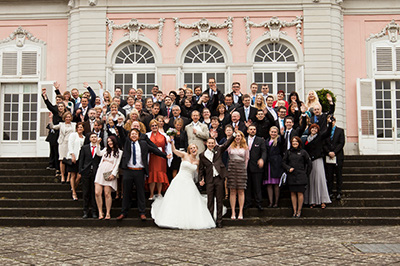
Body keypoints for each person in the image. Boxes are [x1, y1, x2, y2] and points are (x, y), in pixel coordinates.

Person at [151, 140, 216, 229]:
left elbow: (199, 172)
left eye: (194, 148)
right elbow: (174, 150)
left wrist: (202, 179)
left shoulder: (198, 161)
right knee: (176, 199)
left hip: (189, 181)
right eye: (191, 148)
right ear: (189, 150)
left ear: (197, 149)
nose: (193, 149)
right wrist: (172, 142)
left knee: (189, 200)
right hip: (179, 180)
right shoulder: (185, 155)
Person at [117, 129, 170, 221]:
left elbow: (154, 150)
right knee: (126, 192)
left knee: (140, 192)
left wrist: (164, 156)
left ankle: (142, 212)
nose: (133, 136)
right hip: (128, 170)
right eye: (132, 134)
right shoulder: (127, 143)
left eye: (135, 134)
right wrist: (118, 125)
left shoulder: (143, 144)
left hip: (139, 171)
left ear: (138, 135)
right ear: (129, 136)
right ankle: (123, 212)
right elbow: (121, 134)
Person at [199, 133, 236, 228]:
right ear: (206, 144)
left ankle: (219, 220)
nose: (211, 145)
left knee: (219, 200)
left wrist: (234, 135)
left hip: (219, 178)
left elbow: (226, 144)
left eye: (212, 143)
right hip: (209, 179)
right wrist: (201, 179)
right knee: (210, 200)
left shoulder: (218, 150)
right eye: (209, 143)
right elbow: (201, 169)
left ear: (215, 143)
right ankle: (210, 220)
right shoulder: (202, 155)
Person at [304, 120, 333, 209]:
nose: (314, 129)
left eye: (316, 128)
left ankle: (322, 200)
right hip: (310, 161)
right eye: (312, 128)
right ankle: (312, 201)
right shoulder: (307, 139)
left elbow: (328, 132)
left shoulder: (320, 137)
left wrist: (330, 123)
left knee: (320, 180)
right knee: (311, 181)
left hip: (318, 160)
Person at [282, 136, 312, 218]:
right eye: (293, 141)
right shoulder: (288, 152)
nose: (295, 143)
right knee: (293, 193)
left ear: (299, 143)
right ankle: (294, 211)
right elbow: (283, 162)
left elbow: (309, 163)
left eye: (296, 141)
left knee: (300, 193)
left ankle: (299, 210)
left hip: (301, 175)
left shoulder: (303, 152)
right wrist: (288, 168)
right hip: (292, 175)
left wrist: (306, 173)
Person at [94, 136, 123, 220]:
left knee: (107, 193)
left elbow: (117, 164)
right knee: (97, 192)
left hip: (110, 172)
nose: (110, 143)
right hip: (101, 171)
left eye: (111, 141)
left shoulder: (119, 152)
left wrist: (114, 174)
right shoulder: (106, 149)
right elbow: (98, 153)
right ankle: (100, 211)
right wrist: (98, 144)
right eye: (108, 141)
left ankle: (108, 212)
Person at [146, 119, 172, 200]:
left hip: (161, 158)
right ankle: (151, 194)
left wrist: (169, 154)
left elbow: (168, 146)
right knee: (152, 175)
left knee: (160, 175)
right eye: (152, 126)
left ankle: (159, 193)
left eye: (156, 125)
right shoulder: (147, 135)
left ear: (158, 126)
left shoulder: (164, 135)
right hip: (151, 157)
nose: (154, 127)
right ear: (150, 127)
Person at [227, 131, 249, 220]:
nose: (237, 137)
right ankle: (233, 212)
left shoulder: (246, 148)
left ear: (242, 137)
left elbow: (247, 159)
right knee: (232, 191)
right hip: (232, 168)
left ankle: (240, 212)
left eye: (239, 136)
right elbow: (220, 148)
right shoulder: (230, 146)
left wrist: (244, 169)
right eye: (236, 136)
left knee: (241, 191)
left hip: (241, 169)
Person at [79, 132, 101, 219]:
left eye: (95, 137)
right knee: (86, 193)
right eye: (92, 137)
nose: (94, 138)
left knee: (94, 193)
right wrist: (81, 170)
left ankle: (94, 211)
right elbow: (81, 159)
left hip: (96, 172)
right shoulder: (85, 148)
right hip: (86, 172)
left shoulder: (99, 148)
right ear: (89, 139)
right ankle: (85, 211)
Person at [49, 112, 76, 184]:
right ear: (64, 118)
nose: (68, 118)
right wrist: (50, 119)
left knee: (69, 159)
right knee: (62, 159)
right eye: (66, 117)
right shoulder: (61, 124)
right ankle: (63, 176)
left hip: (71, 143)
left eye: (69, 117)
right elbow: (53, 127)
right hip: (62, 143)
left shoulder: (74, 125)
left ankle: (68, 177)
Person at [244, 125, 266, 211]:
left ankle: (259, 203)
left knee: (257, 186)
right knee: (247, 186)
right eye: (251, 129)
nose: (252, 131)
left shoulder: (260, 140)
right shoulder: (244, 140)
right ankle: (248, 202)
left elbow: (264, 151)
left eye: (254, 129)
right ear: (247, 130)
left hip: (256, 166)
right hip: (245, 167)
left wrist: (262, 159)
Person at [323, 117, 345, 200]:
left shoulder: (340, 131)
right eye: (328, 121)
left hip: (338, 155)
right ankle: (330, 191)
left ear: (334, 121)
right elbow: (324, 144)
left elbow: (341, 143)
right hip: (328, 155)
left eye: (331, 121)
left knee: (338, 174)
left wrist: (334, 152)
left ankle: (339, 191)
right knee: (329, 175)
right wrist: (328, 152)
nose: (330, 123)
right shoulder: (325, 132)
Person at [264, 126, 285, 208]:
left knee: (276, 184)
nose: (273, 133)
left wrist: (282, 135)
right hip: (268, 164)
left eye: (275, 132)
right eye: (272, 132)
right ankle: (270, 202)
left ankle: (276, 202)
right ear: (269, 132)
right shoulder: (266, 141)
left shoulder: (279, 140)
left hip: (276, 164)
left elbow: (283, 142)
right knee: (269, 184)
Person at [67, 122, 85, 201]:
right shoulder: (73, 135)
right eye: (79, 127)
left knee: (79, 176)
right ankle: (74, 192)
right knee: (73, 175)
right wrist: (72, 155)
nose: (80, 129)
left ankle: (73, 187)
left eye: (81, 127)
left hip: (80, 159)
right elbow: (70, 144)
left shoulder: (84, 138)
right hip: (73, 157)